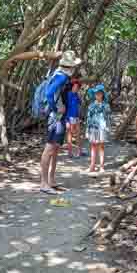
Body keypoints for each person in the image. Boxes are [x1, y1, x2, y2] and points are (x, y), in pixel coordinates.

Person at [40, 51, 82, 194]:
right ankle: (44, 183)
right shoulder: (62, 76)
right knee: (50, 148)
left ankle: (51, 180)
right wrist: (55, 108)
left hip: (60, 118)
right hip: (56, 118)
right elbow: (49, 94)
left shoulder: (59, 74)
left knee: (56, 148)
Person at [85, 84, 111, 174]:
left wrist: (108, 127)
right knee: (93, 146)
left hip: (102, 128)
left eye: (99, 93)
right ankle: (92, 166)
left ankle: (101, 167)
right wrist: (87, 130)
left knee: (101, 147)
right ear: (94, 95)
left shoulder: (106, 105)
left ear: (103, 94)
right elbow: (88, 118)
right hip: (93, 127)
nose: (98, 95)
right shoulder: (91, 105)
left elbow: (108, 117)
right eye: (96, 94)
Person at [66, 79, 84, 158]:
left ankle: (79, 151)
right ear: (72, 87)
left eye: (78, 87)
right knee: (70, 134)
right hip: (69, 117)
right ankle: (70, 152)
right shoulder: (68, 95)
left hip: (76, 117)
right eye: (75, 86)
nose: (76, 88)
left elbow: (79, 104)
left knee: (78, 134)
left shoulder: (76, 95)